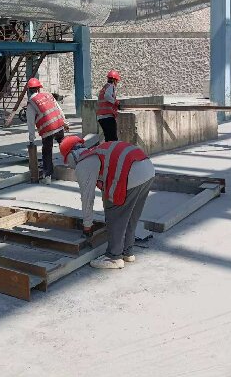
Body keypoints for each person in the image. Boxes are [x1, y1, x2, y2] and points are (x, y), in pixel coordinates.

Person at [60, 135, 156, 270]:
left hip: (132, 173)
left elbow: (87, 198)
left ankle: (114, 257)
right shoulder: (95, 152)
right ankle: (128, 252)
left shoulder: (84, 163)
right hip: (147, 169)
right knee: (131, 215)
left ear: (71, 156)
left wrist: (87, 226)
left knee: (115, 213)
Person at [26, 77, 70, 185]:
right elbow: (59, 109)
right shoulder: (48, 95)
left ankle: (47, 177)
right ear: (39, 88)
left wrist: (31, 139)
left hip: (48, 130)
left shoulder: (31, 103)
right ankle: (71, 163)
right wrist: (65, 123)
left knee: (47, 152)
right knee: (64, 145)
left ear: (29, 90)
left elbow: (30, 122)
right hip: (59, 125)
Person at [96, 69, 121, 142]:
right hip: (107, 117)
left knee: (108, 139)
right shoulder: (110, 86)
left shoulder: (105, 87)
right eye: (117, 81)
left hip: (101, 117)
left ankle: (107, 149)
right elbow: (107, 96)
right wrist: (115, 102)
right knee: (113, 139)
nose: (117, 83)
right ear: (114, 80)